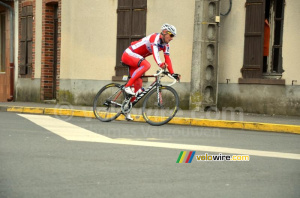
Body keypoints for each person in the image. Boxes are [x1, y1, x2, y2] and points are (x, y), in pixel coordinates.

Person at [121, 23, 180, 121]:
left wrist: (173, 73)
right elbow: (155, 52)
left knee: (137, 89)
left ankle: (126, 109)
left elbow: (168, 59)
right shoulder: (155, 38)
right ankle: (126, 87)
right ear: (165, 32)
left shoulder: (166, 45)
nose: (172, 38)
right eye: (171, 35)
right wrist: (160, 64)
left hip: (137, 60)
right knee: (147, 65)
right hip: (129, 54)